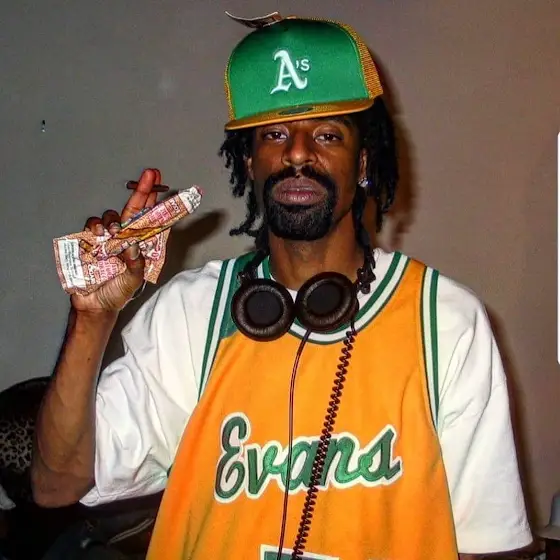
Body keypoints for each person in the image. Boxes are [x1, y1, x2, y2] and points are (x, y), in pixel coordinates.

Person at [31, 14, 533, 560]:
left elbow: (487, 547)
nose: (297, 153)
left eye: (327, 135)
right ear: (249, 162)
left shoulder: (446, 321)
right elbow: (56, 484)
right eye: (274, 134)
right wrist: (92, 318)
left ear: (363, 163)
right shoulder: (190, 314)